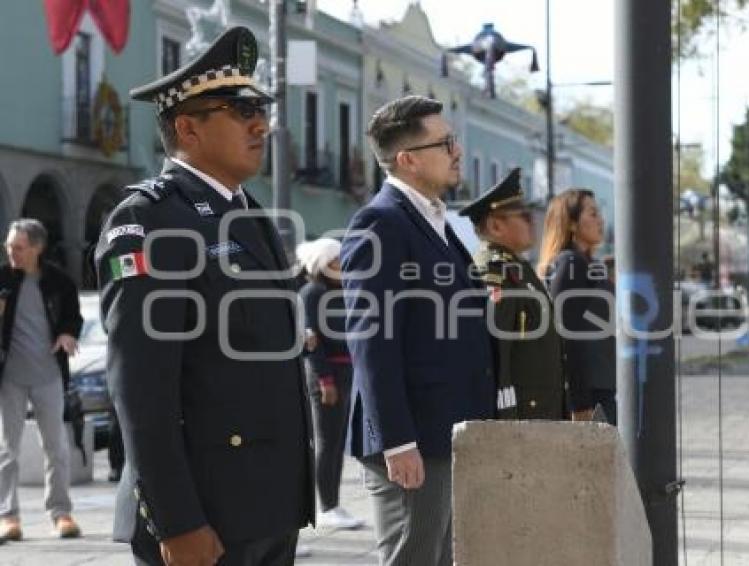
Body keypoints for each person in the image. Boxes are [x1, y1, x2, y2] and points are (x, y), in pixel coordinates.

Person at [95, 27, 313, 566]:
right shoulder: (149, 219)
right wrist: (176, 519)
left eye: (259, 106)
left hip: (266, 509)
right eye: (240, 109)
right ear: (187, 127)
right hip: (204, 517)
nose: (260, 122)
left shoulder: (250, 216)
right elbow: (141, 388)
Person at [341, 95, 495, 566]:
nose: (457, 151)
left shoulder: (435, 222)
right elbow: (372, 340)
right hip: (413, 442)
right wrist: (397, 440)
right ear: (408, 159)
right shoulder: (380, 222)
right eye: (445, 142)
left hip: (445, 433)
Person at [459, 167, 567, 419]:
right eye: (525, 216)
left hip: (541, 411)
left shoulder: (516, 267)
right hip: (521, 415)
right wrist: (505, 415)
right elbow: (496, 351)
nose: (533, 222)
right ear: (496, 226)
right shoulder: (493, 271)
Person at [0, 218, 83, 541]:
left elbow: (73, 318)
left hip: (49, 375)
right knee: (7, 450)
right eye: (8, 246)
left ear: (37, 248)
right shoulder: (2, 278)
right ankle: (9, 517)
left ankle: (61, 513)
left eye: (18, 247)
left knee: (56, 448)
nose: (12, 252)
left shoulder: (59, 281)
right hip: (10, 378)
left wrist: (66, 334)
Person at [296, 238, 364, 530]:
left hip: (347, 373)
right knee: (326, 442)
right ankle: (325, 505)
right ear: (323, 265)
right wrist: (325, 380)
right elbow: (314, 343)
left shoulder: (342, 292)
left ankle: (333, 503)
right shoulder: (312, 293)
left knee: (337, 443)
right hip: (327, 376)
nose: (342, 265)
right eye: (336, 261)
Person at [538, 189, 617, 425]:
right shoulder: (571, 263)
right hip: (588, 395)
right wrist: (579, 402)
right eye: (592, 214)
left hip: (602, 387)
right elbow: (567, 334)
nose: (600, 220)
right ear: (572, 223)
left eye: (599, 213)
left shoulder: (589, 264)